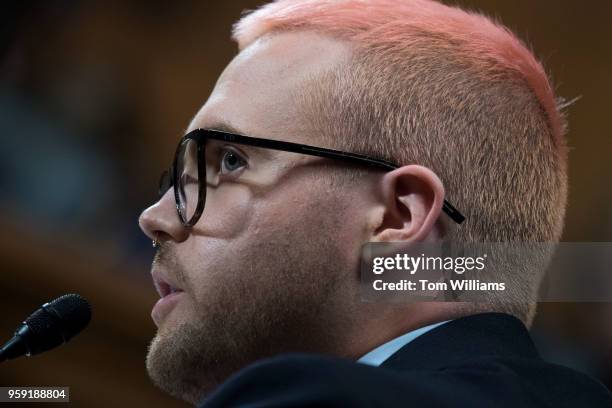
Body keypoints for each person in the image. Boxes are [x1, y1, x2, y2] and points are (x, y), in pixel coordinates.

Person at [138, 0, 612, 406]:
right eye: (181, 177)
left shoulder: (313, 398)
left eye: (231, 161)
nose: (155, 218)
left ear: (397, 216)